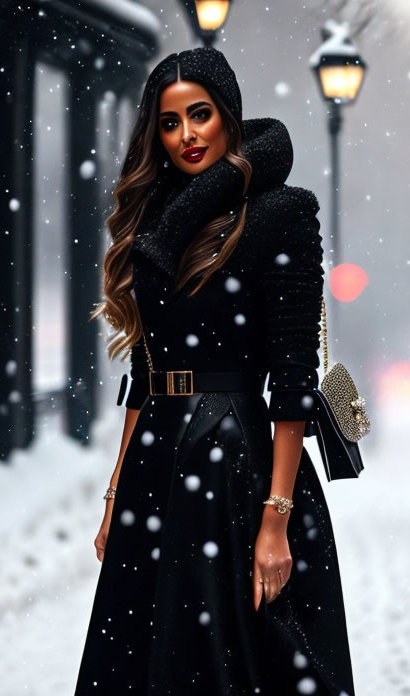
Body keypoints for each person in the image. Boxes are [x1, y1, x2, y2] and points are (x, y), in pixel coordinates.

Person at [75, 46, 355, 696]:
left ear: (227, 115)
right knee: (145, 664)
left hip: (237, 468)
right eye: (170, 123)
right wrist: (117, 493)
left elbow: (292, 380)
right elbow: (149, 372)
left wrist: (276, 518)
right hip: (155, 468)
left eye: (199, 115)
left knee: (236, 661)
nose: (186, 135)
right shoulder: (158, 224)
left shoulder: (283, 215)